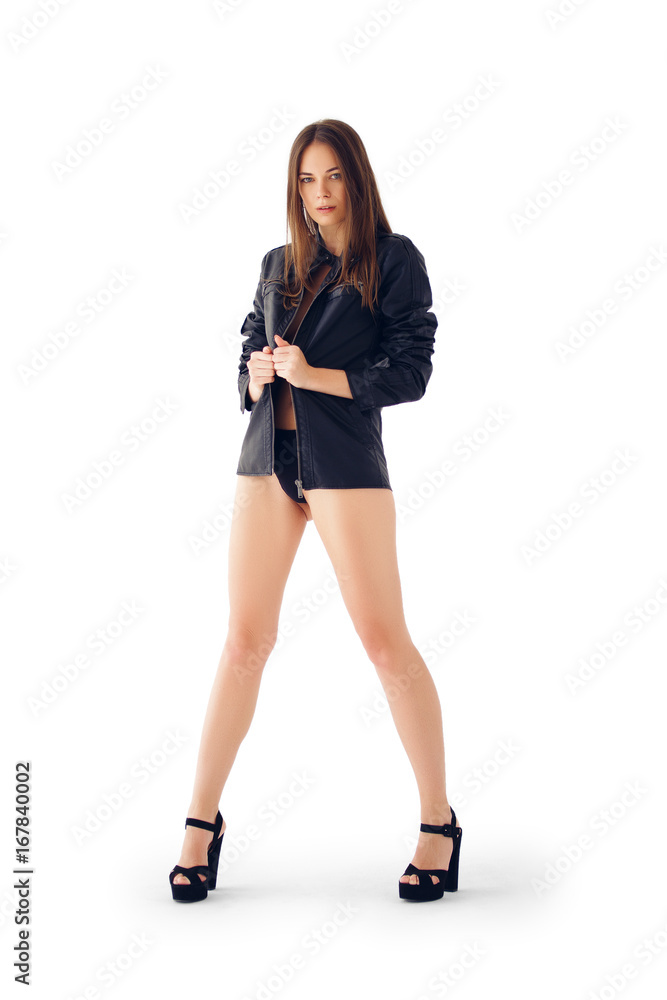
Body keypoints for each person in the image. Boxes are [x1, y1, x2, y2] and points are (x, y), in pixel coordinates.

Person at [169, 118, 462, 904]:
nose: (319, 193)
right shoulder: (277, 265)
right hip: (268, 459)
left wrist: (313, 375)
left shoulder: (393, 260)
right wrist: (256, 375)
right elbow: (245, 349)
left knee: (383, 643)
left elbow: (411, 370)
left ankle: (438, 823)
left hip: (344, 466)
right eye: (306, 179)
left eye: (332, 176)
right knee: (243, 641)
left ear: (355, 179)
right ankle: (200, 823)